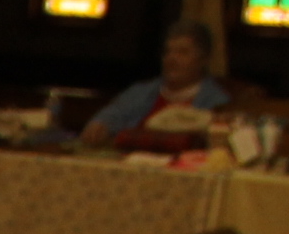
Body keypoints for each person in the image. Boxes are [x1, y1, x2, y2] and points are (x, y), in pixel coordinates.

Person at [80, 20, 230, 144]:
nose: (172, 59)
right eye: (168, 52)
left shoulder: (218, 103)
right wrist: (100, 124)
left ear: (203, 60)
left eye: (182, 52)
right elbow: (112, 115)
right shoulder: (140, 93)